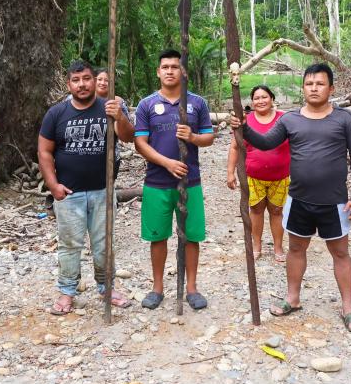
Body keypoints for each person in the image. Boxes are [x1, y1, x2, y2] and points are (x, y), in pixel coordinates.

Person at [232, 63, 351, 333]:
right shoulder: (290, 119)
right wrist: (244, 129)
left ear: (331, 88)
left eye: (320, 84)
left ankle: (349, 308)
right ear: (303, 87)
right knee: (295, 249)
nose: (314, 88)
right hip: (299, 199)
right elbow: (266, 142)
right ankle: (293, 299)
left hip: (335, 201)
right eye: (309, 83)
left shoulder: (345, 119)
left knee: (340, 252)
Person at [39, 61, 136, 314]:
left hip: (103, 190)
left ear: (95, 80)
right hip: (69, 194)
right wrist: (53, 185)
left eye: (86, 78)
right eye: (75, 80)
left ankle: (107, 288)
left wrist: (120, 117)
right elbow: (44, 151)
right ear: (69, 84)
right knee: (70, 245)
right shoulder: (56, 114)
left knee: (104, 243)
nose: (81, 84)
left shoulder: (109, 107)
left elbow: (127, 137)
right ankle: (66, 292)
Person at [133, 49, 215, 310]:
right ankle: (157, 288)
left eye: (175, 67)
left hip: (190, 182)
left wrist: (192, 138)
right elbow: (140, 143)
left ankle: (191, 288)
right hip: (156, 182)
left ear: (183, 72)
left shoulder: (197, 103)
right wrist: (167, 163)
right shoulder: (147, 105)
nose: (170, 71)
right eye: (165, 67)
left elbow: (209, 138)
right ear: (158, 71)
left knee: (191, 236)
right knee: (158, 236)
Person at [226, 85, 290, 264]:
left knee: (277, 211)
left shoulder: (284, 119)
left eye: (264, 97)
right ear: (252, 102)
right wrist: (230, 172)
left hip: (281, 176)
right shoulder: (245, 121)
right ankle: (257, 246)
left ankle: (278, 247)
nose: (260, 101)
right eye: (256, 98)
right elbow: (234, 146)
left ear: (272, 99)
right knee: (256, 210)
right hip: (253, 176)